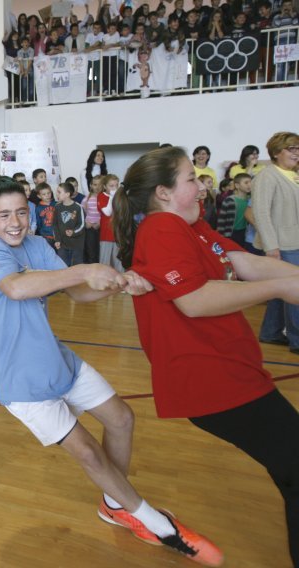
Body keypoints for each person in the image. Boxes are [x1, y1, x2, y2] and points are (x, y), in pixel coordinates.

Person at [0, 176, 222, 567]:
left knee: (122, 418)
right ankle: (155, 523)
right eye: (3, 215)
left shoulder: (36, 245)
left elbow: (79, 292)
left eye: (21, 211)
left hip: (57, 360)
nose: (15, 222)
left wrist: (117, 285)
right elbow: (16, 288)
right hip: (21, 382)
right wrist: (85, 268)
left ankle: (114, 503)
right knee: (89, 452)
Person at [114, 145, 299, 567]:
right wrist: (280, 290)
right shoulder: (162, 229)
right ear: (163, 192)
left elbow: (244, 263)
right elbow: (193, 300)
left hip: (232, 371)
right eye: (190, 180)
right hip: (212, 381)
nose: (201, 186)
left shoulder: (191, 226)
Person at [251, 132, 299, 353]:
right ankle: (297, 340)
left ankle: (270, 332)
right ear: (276, 152)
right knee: (294, 291)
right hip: (282, 244)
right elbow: (260, 213)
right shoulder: (267, 176)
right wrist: (271, 246)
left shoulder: (294, 175)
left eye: (298, 149)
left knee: (281, 290)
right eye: (291, 149)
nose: (296, 153)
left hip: (294, 241)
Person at [54, 182, 86, 266]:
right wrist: (57, 240)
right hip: (62, 245)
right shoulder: (57, 207)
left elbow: (82, 225)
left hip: (76, 245)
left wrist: (73, 232)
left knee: (76, 267)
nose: (56, 194)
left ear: (67, 194)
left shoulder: (78, 207)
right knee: (63, 266)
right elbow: (55, 225)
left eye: (59, 192)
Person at [216, 172, 252, 246]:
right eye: (246, 183)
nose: (250, 185)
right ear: (237, 185)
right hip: (231, 233)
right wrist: (221, 237)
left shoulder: (250, 200)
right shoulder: (230, 200)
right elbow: (221, 220)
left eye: (251, 182)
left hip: (244, 233)